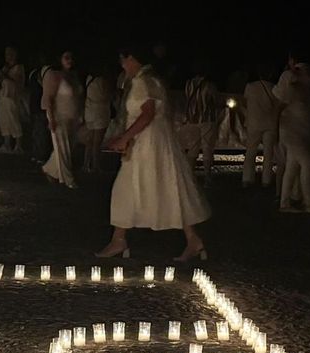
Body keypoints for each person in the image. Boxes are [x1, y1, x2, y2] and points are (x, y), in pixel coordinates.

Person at [97, 44, 211, 262]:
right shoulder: (153, 80)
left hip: (146, 143)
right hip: (158, 142)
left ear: (132, 58)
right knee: (169, 185)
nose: (122, 65)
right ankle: (192, 238)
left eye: (123, 60)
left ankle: (119, 239)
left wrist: (125, 138)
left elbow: (147, 114)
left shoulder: (143, 82)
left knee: (126, 187)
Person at [276, 53, 310, 213]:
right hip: (304, 130)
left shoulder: (289, 78)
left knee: (292, 166)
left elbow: (279, 103)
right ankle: (309, 202)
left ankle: (286, 202)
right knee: (307, 165)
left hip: (292, 130)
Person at [40, 51, 83, 188]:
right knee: (64, 147)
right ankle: (68, 179)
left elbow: (78, 97)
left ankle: (49, 169)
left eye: (71, 57)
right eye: (66, 58)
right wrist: (51, 119)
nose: (69, 60)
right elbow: (49, 98)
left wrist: (80, 114)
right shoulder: (55, 75)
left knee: (69, 145)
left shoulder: (73, 75)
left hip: (73, 116)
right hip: (59, 115)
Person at [241, 64, 281, 189]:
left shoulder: (250, 87)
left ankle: (247, 179)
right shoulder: (274, 88)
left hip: (254, 122)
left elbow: (245, 102)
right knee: (268, 154)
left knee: (250, 152)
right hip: (270, 123)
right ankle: (266, 180)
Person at [182, 67, 222, 183]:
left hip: (192, 119)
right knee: (207, 148)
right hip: (207, 119)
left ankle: (190, 175)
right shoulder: (209, 85)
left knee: (193, 148)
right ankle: (207, 176)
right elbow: (216, 100)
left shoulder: (188, 84)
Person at [81, 66, 113, 174]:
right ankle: (95, 166)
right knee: (97, 142)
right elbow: (106, 95)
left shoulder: (89, 78)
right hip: (100, 113)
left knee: (90, 141)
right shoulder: (103, 81)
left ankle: (86, 164)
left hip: (89, 111)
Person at [0, 46, 28, 153]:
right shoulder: (5, 67)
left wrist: (2, 75)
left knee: (13, 120)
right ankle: (6, 144)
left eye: (11, 53)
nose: (8, 56)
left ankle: (18, 145)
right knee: (4, 120)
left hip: (12, 97)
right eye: (7, 53)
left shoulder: (18, 68)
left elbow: (16, 82)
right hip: (3, 96)